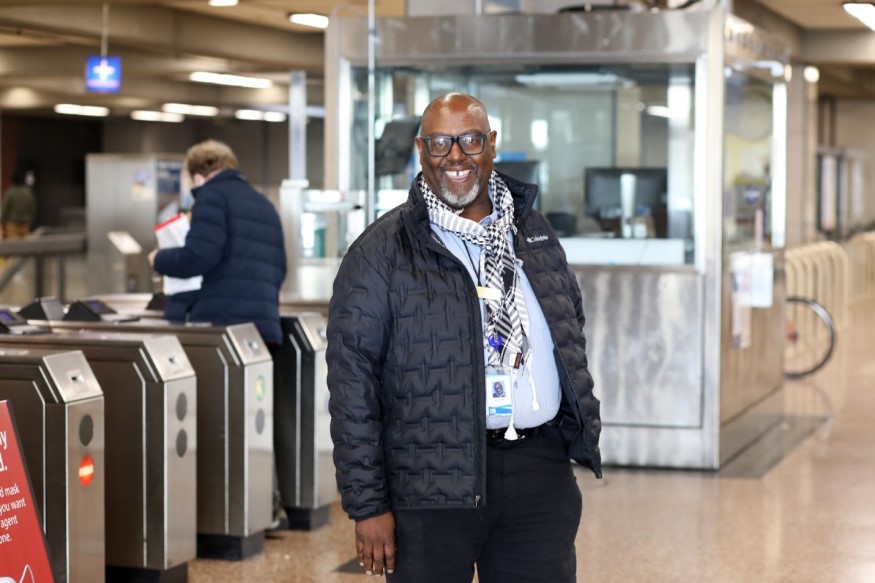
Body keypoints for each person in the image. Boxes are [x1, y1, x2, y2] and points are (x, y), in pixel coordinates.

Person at [326, 93, 601, 583]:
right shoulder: (381, 252)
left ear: (491, 144)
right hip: (430, 481)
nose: (455, 156)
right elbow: (352, 386)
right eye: (439, 143)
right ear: (420, 150)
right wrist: (367, 505)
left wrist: (574, 430)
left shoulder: (531, 232)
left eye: (470, 140)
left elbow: (568, 329)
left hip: (538, 475)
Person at [148, 139, 286, 345]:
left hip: (224, 323)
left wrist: (159, 259)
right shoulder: (264, 203)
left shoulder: (211, 196)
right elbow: (280, 268)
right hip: (265, 326)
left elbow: (200, 256)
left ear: (197, 177)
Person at [2, 168, 37, 238]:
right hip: (25, 223)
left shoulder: (10, 192)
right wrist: (30, 220)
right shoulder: (27, 192)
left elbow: (5, 209)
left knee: (13, 246)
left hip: (12, 224)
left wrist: (2, 221)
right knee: (25, 247)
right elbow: (32, 208)